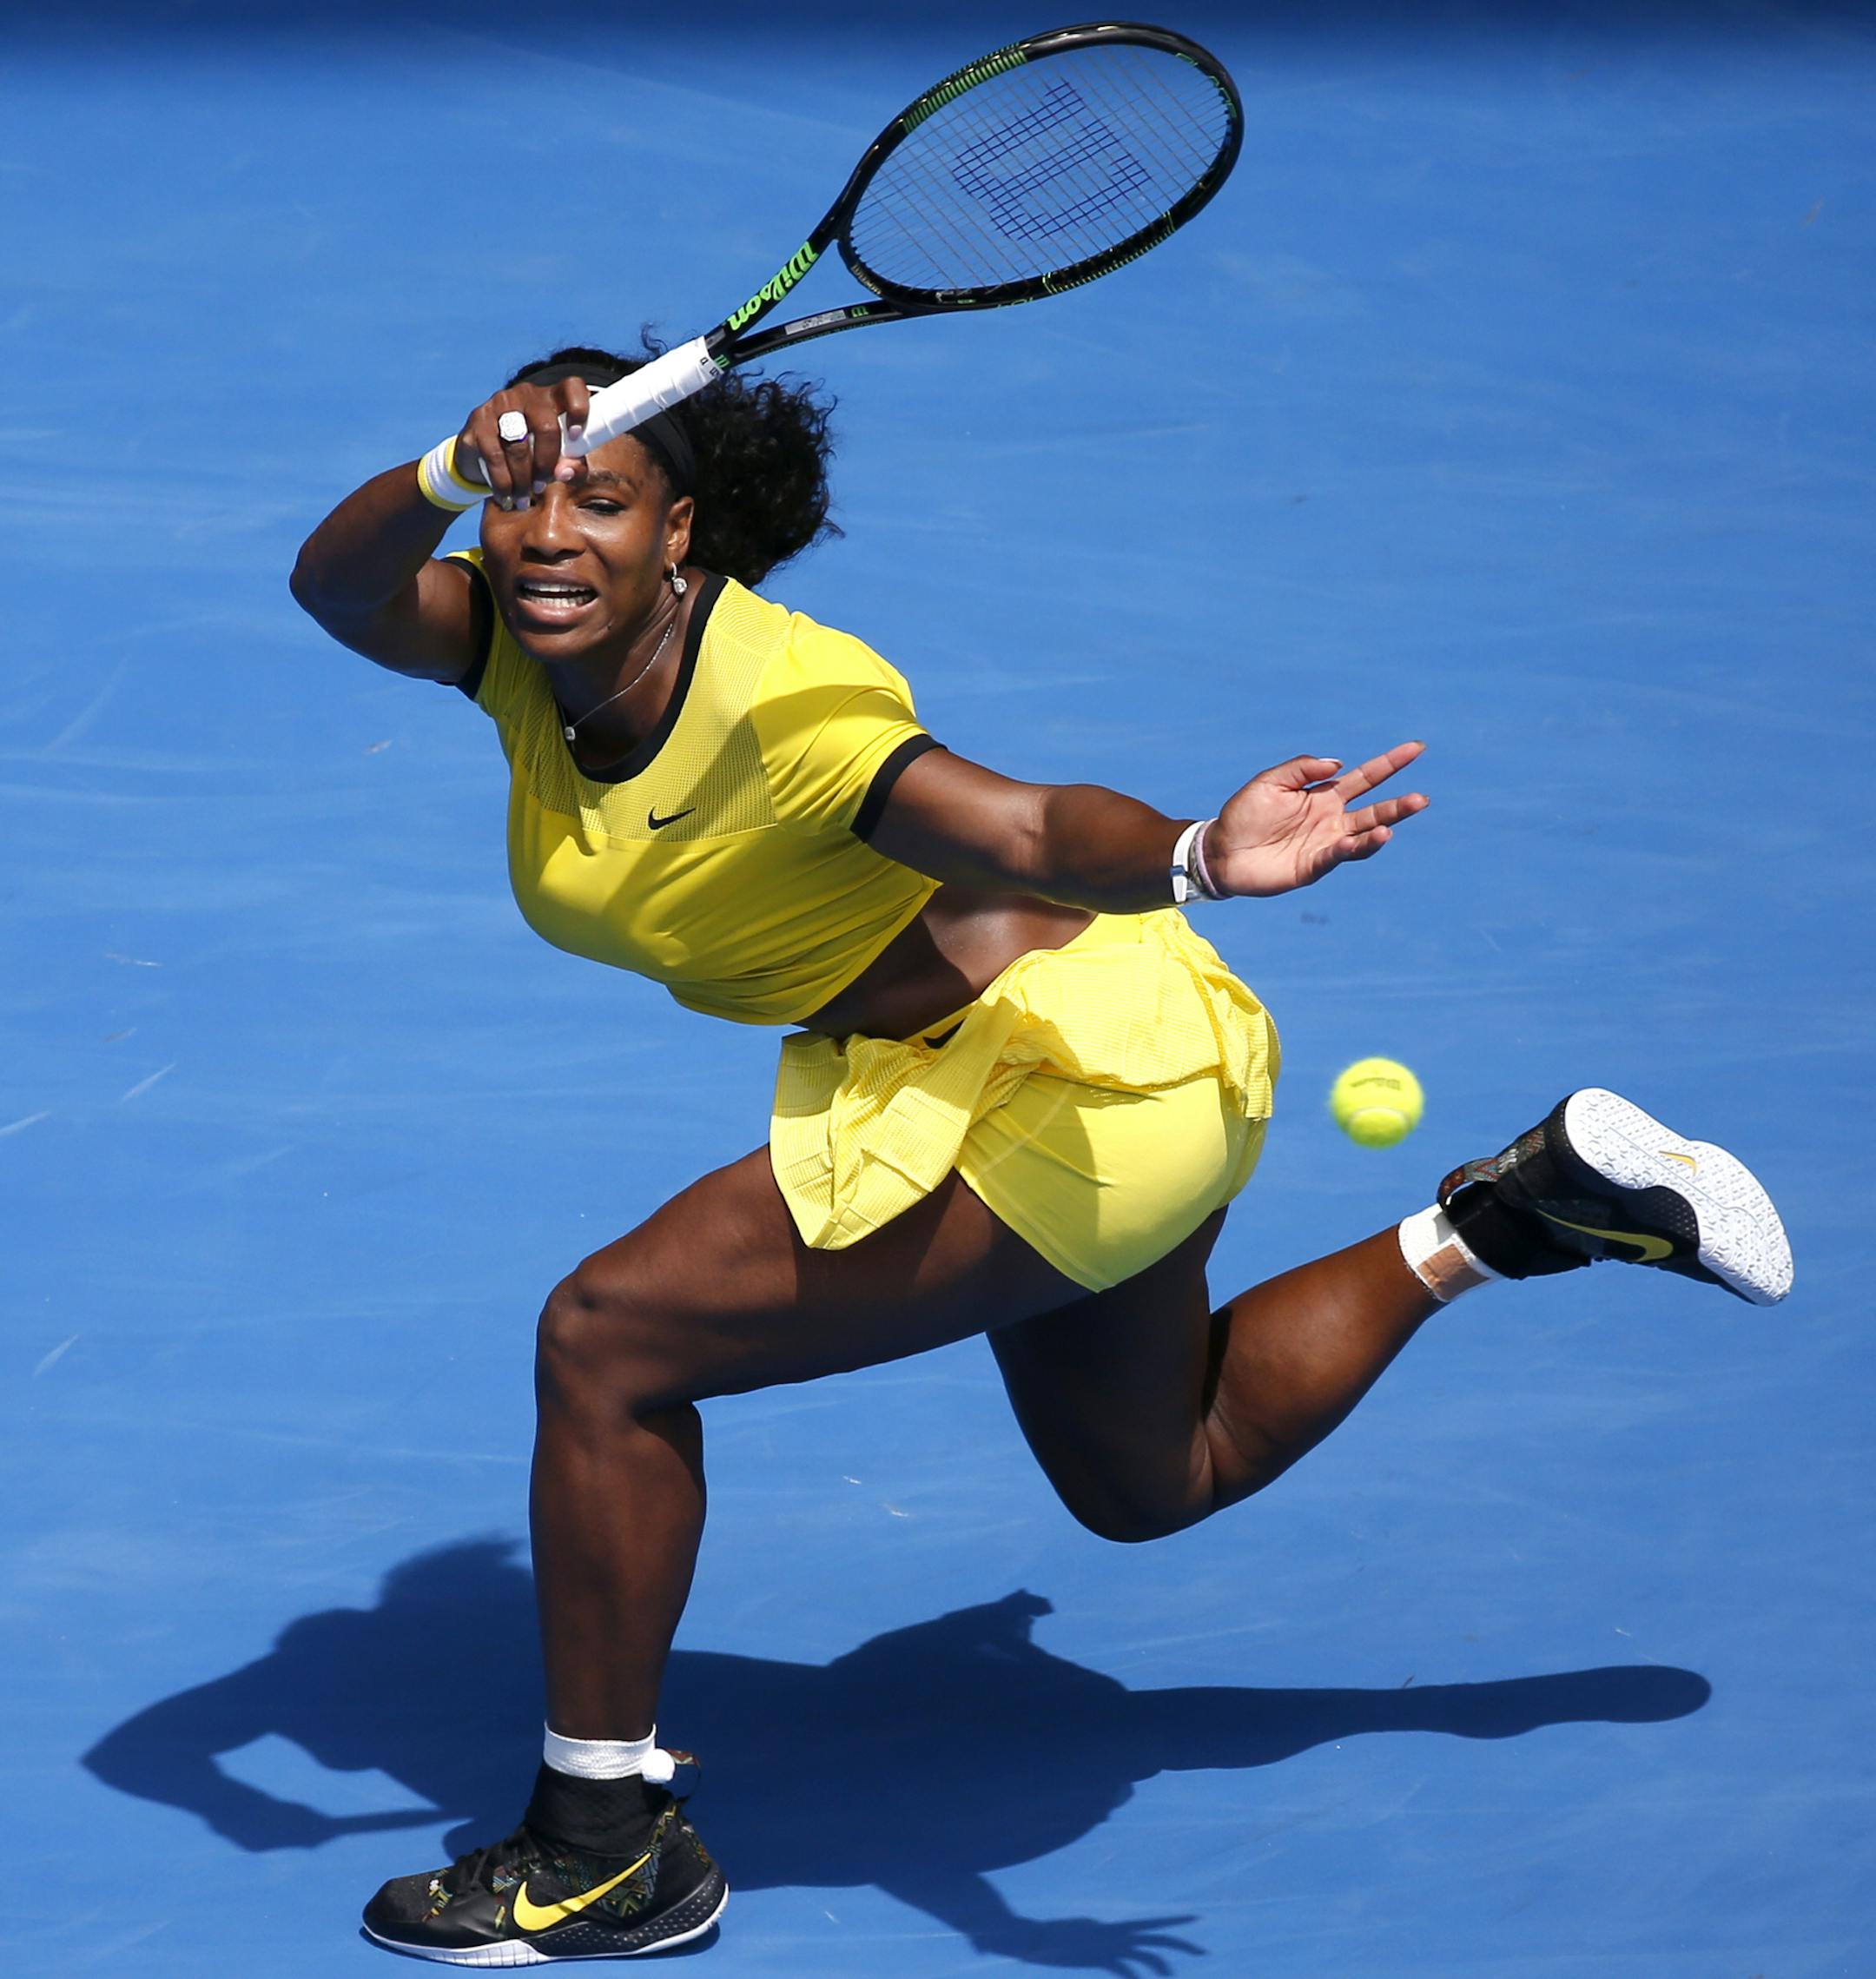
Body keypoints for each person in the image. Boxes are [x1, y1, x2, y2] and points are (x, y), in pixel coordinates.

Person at [289, 347, 1792, 1965]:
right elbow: (336, 583)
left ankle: (602, 1843)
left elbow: (1013, 830)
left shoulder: (783, 702)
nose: (549, 533)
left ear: (684, 535)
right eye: (522, 495)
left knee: (606, 1341)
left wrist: (1198, 854)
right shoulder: (517, 645)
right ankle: (1517, 1211)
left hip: (1072, 1072)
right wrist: (445, 473)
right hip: (1076, 1055)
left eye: (602, 494)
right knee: (1155, 1479)